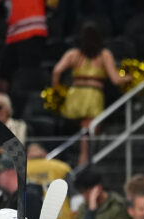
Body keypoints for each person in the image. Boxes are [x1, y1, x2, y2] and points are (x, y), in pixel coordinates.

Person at [51, 22, 128, 165]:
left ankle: (84, 159)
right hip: (93, 95)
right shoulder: (104, 54)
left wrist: (56, 89)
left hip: (75, 95)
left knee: (85, 130)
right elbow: (116, 80)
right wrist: (132, 77)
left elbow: (56, 71)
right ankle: (84, 160)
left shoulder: (73, 54)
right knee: (87, 131)